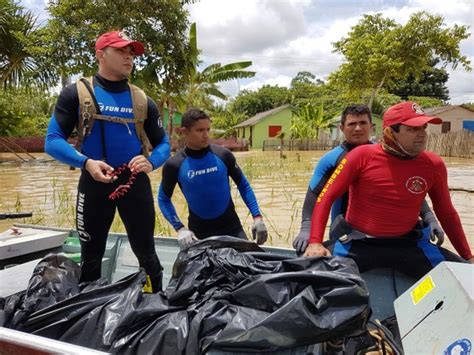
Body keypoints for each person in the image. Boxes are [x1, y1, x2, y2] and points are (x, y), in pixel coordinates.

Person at [45, 31, 170, 292]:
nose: (129, 57)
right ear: (101, 54)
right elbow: (53, 141)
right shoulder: (75, 93)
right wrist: (86, 162)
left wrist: (152, 162)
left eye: (132, 52)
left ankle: (153, 306)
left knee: (147, 256)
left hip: (134, 185)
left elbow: (164, 144)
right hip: (93, 183)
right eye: (122, 51)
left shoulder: (142, 100)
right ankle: (89, 314)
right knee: (91, 259)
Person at [303, 101, 473, 279]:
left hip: (409, 244)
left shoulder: (433, 165)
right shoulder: (361, 156)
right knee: (303, 277)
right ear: (390, 132)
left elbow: (446, 212)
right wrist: (314, 241)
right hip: (359, 243)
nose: (422, 134)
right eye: (412, 129)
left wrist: (468, 256)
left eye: (423, 128)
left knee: (465, 277)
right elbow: (326, 197)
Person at [293, 104, 443, 255]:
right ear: (342, 128)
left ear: (371, 126)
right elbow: (315, 194)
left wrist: (429, 218)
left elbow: (409, 190)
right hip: (345, 232)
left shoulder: (390, 155)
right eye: (352, 124)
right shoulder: (331, 160)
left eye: (363, 123)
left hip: (385, 234)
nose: (358, 128)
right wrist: (307, 229)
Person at [158, 108, 268, 249]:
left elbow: (244, 185)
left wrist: (257, 218)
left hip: (232, 229)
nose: (206, 135)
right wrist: (180, 228)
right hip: (198, 234)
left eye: (208, 129)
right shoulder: (174, 164)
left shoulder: (223, 155)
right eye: (200, 130)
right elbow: (163, 199)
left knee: (250, 267)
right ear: (185, 132)